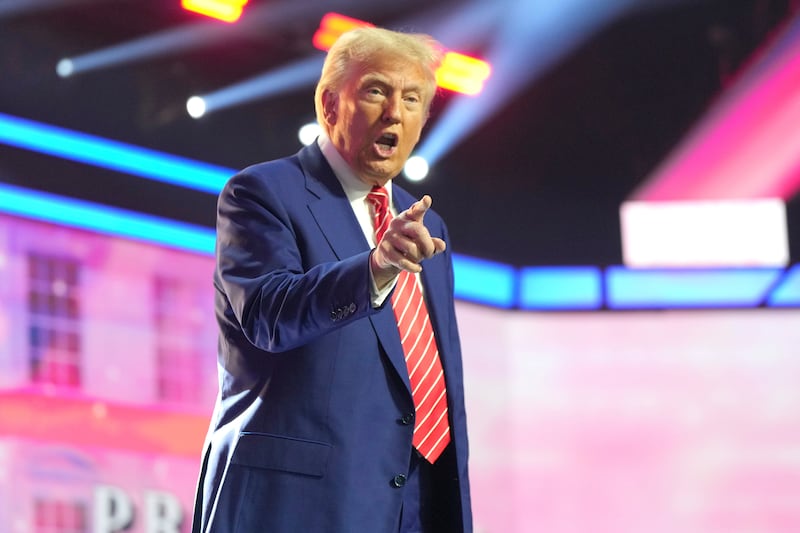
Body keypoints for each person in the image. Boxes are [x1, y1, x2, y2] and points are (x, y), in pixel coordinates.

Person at [192, 26, 472, 533]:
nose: (395, 112)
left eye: (412, 99)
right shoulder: (261, 193)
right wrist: (374, 269)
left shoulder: (426, 224)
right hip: (299, 507)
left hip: (416, 506)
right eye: (376, 91)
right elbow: (268, 315)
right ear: (329, 104)